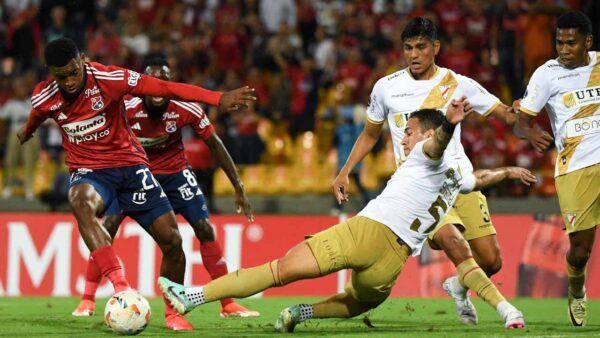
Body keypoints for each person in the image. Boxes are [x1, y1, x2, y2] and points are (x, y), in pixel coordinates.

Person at [158, 99, 533, 332]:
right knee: (359, 302)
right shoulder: (456, 175)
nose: (403, 138)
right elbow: (477, 178)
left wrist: (448, 123)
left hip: (366, 233)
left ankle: (193, 296)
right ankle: (303, 313)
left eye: (410, 132)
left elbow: (436, 144)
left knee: (279, 270)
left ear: (428, 134)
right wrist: (507, 172)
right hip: (394, 260)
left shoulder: (425, 153)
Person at [18, 38, 255, 330]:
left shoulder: (110, 78)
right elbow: (37, 115)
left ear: (83, 59)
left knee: (172, 240)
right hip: (90, 170)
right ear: (49, 71)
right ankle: (120, 287)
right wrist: (26, 132)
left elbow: (165, 88)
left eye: (73, 72)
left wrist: (217, 98)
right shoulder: (45, 96)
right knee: (80, 201)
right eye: (60, 76)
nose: (68, 81)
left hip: (131, 167)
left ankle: (173, 313)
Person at [331, 17, 517, 325]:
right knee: (451, 238)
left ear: (436, 48)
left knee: (490, 260)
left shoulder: (457, 83)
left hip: (459, 180)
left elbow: (504, 115)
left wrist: (527, 110)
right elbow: (369, 134)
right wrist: (344, 170)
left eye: (421, 47)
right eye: (408, 48)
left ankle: (458, 286)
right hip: (420, 188)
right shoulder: (386, 88)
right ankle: (506, 310)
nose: (414, 54)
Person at [514, 10, 599, 327]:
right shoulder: (546, 74)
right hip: (576, 168)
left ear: (587, 42)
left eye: (571, 43)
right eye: (559, 43)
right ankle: (577, 290)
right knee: (579, 251)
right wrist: (531, 131)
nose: (563, 50)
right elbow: (520, 122)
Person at [1, 76, 38, 200]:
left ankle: (29, 189)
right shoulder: (11, 103)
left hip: (30, 130)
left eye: (23, 88)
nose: (21, 90)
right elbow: (2, 119)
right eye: (19, 88)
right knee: (10, 160)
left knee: (29, 160)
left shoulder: (31, 101)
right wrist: (2, 135)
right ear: (15, 90)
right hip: (15, 130)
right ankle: (8, 187)